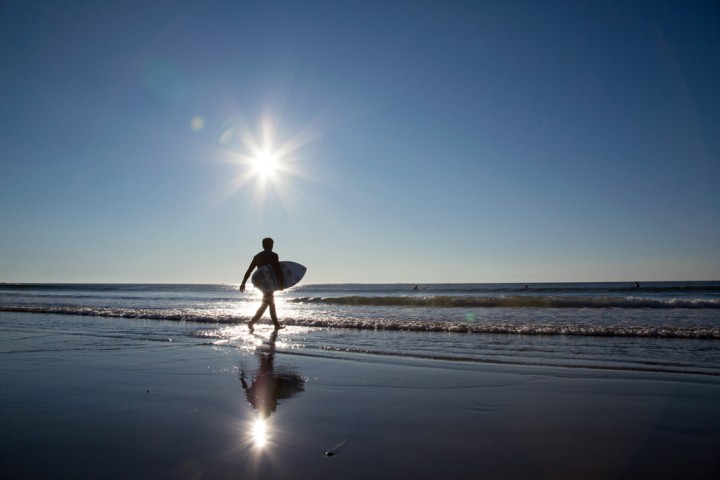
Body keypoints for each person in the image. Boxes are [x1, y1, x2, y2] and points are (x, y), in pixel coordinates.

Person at [240, 237, 286, 331]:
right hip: (269, 283)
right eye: (272, 245)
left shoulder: (257, 256)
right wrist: (281, 282)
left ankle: (274, 324)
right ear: (271, 245)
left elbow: (249, 271)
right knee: (268, 303)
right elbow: (278, 270)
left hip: (261, 284)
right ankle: (253, 322)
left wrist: (243, 283)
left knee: (268, 303)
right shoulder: (273, 255)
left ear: (263, 245)